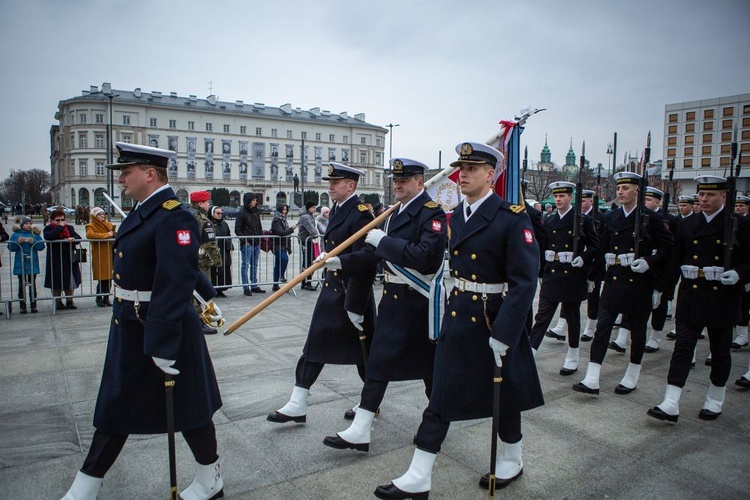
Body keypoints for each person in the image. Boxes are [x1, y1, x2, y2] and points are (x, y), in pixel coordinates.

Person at [374, 142, 542, 499]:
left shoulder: (512, 217)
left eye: (471, 168)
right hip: (458, 312)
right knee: (442, 394)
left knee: (505, 391)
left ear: (491, 173)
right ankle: (419, 474)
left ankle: (511, 456)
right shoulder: (458, 215)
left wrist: (505, 333)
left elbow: (525, 282)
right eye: (460, 168)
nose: (462, 174)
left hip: (492, 315)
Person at [60, 142, 224, 500]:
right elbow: (173, 265)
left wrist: (163, 340)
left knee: (189, 407)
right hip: (132, 323)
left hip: (159, 323)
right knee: (118, 403)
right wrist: (209, 294)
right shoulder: (145, 212)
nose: (120, 179)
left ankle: (209, 478)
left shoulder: (174, 215)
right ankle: (87, 485)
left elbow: (177, 275)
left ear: (150, 174)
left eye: (126, 171)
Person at [322, 157, 446, 452]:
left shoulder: (432, 214)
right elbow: (373, 255)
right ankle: (361, 429)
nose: (398, 185)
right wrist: (341, 261)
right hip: (393, 301)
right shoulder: (392, 214)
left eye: (404, 180)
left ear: (420, 182)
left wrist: (383, 242)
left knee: (430, 372)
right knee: (377, 364)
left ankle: (438, 422)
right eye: (396, 180)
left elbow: (426, 257)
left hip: (419, 304)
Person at [267, 162, 376, 424]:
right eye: (330, 181)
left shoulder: (361, 214)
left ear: (351, 185)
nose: (330, 186)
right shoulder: (337, 210)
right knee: (314, 346)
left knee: (365, 354)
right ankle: (298, 402)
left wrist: (343, 266)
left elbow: (370, 258)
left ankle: (371, 400)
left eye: (336, 182)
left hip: (353, 291)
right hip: (332, 290)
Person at [648, 176, 750, 423]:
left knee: (720, 350)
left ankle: (715, 398)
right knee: (682, 348)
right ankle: (671, 401)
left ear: (724, 197)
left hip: (722, 297)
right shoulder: (688, 224)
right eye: (701, 195)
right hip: (691, 294)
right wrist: (661, 288)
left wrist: (739, 273)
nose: (704, 199)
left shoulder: (740, 224)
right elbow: (675, 259)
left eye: (710, 195)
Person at [573, 172, 673, 397]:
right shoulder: (612, 217)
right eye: (619, 188)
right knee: (603, 328)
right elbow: (601, 247)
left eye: (626, 188)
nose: (621, 192)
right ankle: (592, 376)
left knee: (637, 332)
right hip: (614, 280)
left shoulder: (651, 218)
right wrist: (588, 268)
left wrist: (649, 263)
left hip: (639, 282)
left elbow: (669, 249)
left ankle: (632, 373)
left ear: (638, 190)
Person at [529, 181, 599, 376]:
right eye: (556, 196)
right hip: (553, 273)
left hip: (572, 275)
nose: (558, 200)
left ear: (571, 197)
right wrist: (542, 272)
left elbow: (595, 246)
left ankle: (573, 355)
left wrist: (583, 259)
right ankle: (530, 352)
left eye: (562, 196)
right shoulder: (549, 220)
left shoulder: (582, 220)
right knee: (542, 316)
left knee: (572, 317)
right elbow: (543, 247)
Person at [189, 191, 222, 335]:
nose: (209, 205)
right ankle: (199, 323)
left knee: (190, 293)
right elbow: (211, 244)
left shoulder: (185, 215)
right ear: (200, 203)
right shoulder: (203, 220)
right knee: (201, 294)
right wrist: (218, 262)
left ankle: (190, 321)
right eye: (207, 202)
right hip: (201, 262)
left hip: (187, 260)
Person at [43, 209, 82, 310]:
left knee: (70, 280)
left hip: (68, 258)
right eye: (58, 220)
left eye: (62, 220)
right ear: (52, 220)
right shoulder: (48, 228)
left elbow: (78, 237)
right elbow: (49, 236)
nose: (61, 222)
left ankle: (70, 300)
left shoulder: (69, 227)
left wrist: (72, 239)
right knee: (56, 281)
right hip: (55, 259)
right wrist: (59, 228)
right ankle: (58, 301)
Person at [9, 216, 44, 314]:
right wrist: (17, 242)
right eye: (26, 224)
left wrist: (35, 242)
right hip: (21, 263)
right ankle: (22, 305)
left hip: (33, 263)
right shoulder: (16, 235)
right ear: (22, 225)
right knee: (21, 285)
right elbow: (10, 247)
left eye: (30, 223)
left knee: (33, 284)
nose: (28, 225)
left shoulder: (35, 234)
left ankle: (33, 304)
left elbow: (41, 246)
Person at [235, 192, 265, 296]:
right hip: (247, 244)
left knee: (254, 265)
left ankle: (254, 285)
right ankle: (246, 287)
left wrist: (260, 238)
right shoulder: (242, 213)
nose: (255, 202)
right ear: (248, 201)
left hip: (256, 242)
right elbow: (238, 229)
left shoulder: (256, 212)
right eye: (253, 200)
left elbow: (259, 226)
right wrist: (245, 241)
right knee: (245, 265)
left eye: (256, 200)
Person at [85, 207, 116, 307]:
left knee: (109, 277)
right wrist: (107, 235)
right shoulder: (90, 226)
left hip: (109, 253)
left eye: (103, 213)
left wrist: (114, 234)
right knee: (102, 278)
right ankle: (99, 298)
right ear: (94, 216)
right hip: (99, 254)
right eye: (99, 214)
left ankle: (106, 298)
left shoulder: (109, 224)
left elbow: (114, 234)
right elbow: (90, 235)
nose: (102, 215)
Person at [270, 203, 296, 291]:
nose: (285, 211)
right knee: (284, 259)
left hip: (284, 244)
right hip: (277, 244)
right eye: (283, 209)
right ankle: (281, 276)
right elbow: (280, 233)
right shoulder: (276, 220)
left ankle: (275, 284)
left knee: (278, 264)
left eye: (286, 210)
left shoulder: (283, 219)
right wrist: (291, 229)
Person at [209, 206, 233, 297]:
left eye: (221, 213)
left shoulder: (224, 223)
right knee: (215, 269)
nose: (220, 215)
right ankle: (213, 289)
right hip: (215, 250)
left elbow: (228, 234)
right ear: (212, 213)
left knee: (224, 269)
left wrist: (229, 243)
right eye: (217, 213)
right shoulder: (210, 223)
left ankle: (221, 289)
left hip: (224, 250)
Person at [297, 200, 320, 291]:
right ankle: (306, 282)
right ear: (308, 208)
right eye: (313, 207)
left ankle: (306, 281)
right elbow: (312, 230)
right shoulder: (306, 217)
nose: (314, 209)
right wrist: (316, 234)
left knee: (310, 260)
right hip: (305, 241)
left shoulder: (309, 215)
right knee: (308, 261)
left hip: (308, 240)